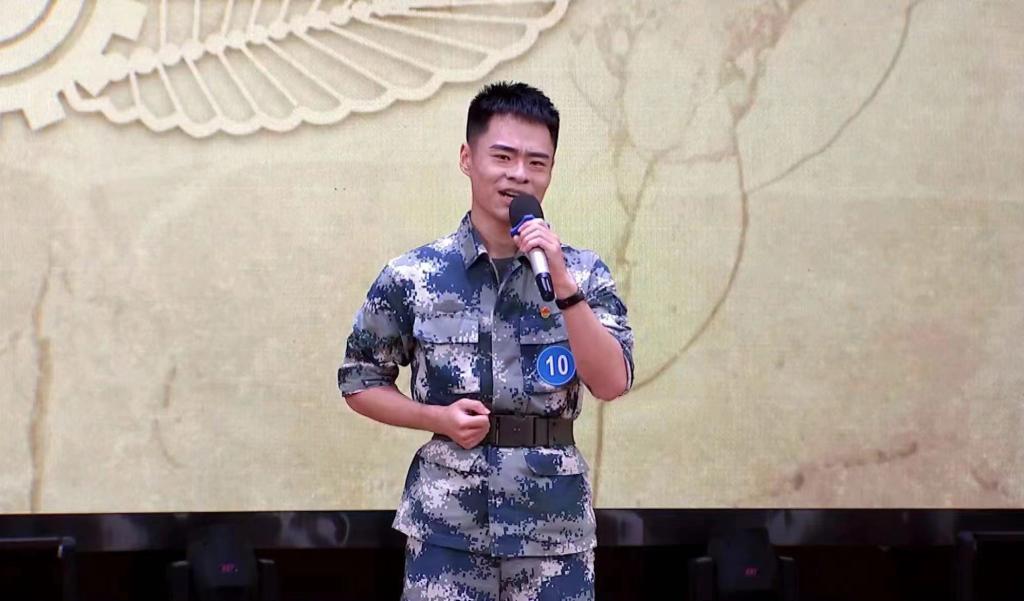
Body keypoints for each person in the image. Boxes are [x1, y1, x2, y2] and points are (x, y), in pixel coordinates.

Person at [338, 81, 634, 600]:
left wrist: (564, 286)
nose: (519, 174)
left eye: (537, 162)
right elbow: (360, 382)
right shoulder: (414, 275)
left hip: (553, 532)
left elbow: (612, 383)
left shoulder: (582, 273)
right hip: (447, 529)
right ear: (467, 158)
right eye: (503, 156)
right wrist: (435, 418)